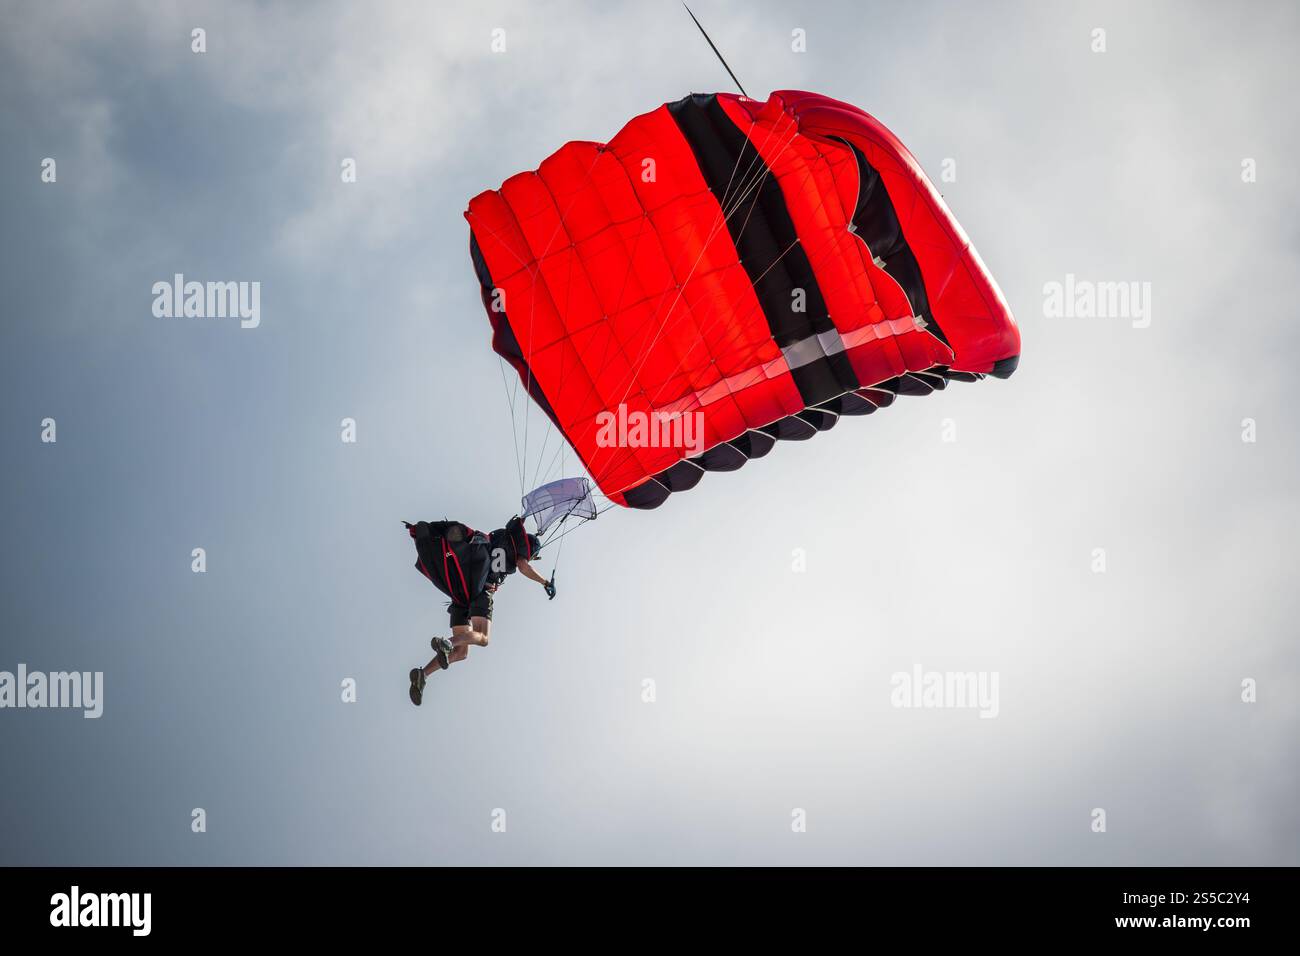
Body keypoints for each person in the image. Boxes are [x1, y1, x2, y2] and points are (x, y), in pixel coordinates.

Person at [408, 517, 555, 706]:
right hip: (481, 592)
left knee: (462, 652)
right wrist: (545, 582)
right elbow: (523, 566)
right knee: (482, 637)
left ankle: (423, 674)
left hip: (463, 592)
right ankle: (447, 643)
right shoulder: (520, 551)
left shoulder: (502, 536)